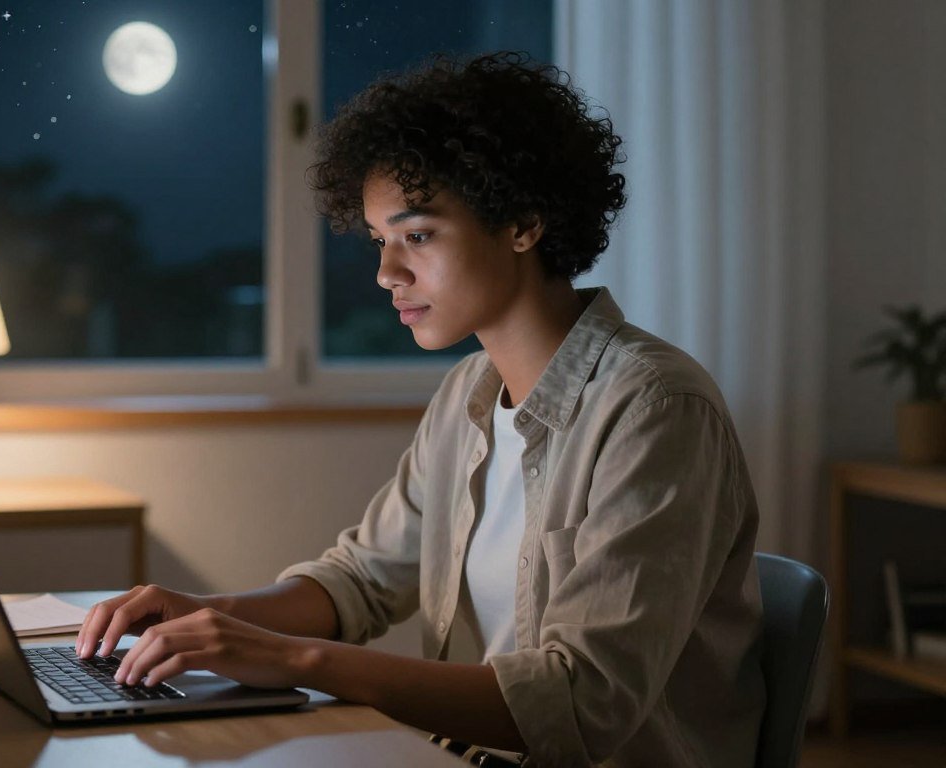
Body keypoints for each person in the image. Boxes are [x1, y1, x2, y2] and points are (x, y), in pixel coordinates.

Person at [74, 51, 765, 767]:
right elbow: (361, 581)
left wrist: (295, 660)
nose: (386, 272)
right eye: (381, 241)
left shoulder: (656, 408)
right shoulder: (467, 393)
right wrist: (208, 614)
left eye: (419, 236)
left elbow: (581, 701)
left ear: (523, 222)